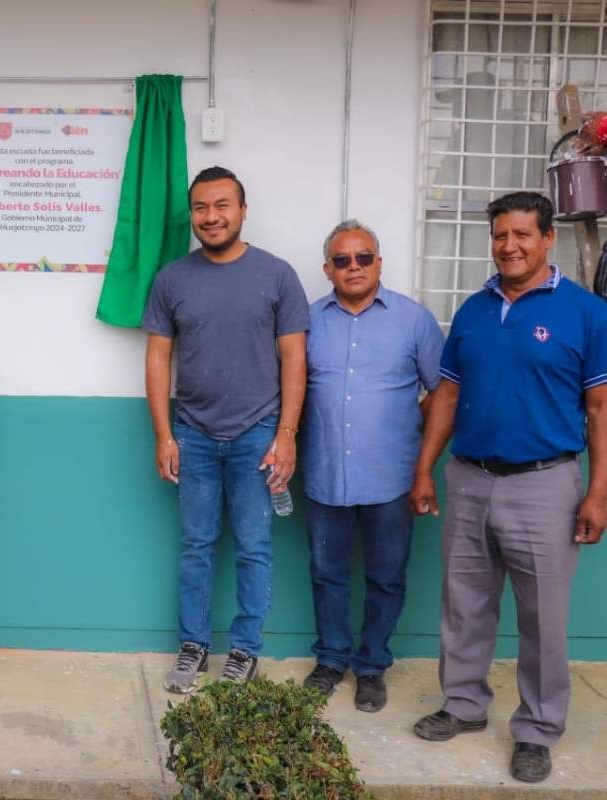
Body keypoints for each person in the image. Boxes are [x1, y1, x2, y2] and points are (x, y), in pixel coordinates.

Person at [409, 191, 607, 783]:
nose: (509, 246)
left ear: (549, 239)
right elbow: (445, 395)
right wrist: (425, 468)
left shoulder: (587, 313)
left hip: (546, 484)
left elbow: (599, 409)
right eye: (500, 235)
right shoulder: (472, 310)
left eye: (522, 234)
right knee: (464, 606)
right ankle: (464, 705)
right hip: (469, 479)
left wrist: (598, 492)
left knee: (542, 617)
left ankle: (539, 728)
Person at [143, 166, 309, 692]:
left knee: (254, 547)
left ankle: (244, 650)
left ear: (242, 210)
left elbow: (294, 359)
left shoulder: (277, 274)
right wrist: (163, 434)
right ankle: (193, 646)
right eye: (200, 208)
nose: (210, 217)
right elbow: (156, 358)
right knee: (197, 545)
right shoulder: (173, 278)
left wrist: (286, 434)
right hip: (192, 434)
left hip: (257, 434)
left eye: (221, 206)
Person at [299, 220, 444, 711]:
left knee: (386, 576)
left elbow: (442, 393)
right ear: (328, 269)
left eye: (364, 257)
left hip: (391, 477)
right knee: (326, 573)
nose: (354, 267)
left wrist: (406, 428)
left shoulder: (414, 320)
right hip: (323, 476)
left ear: (380, 262)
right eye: (343, 260)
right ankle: (331, 658)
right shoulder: (307, 321)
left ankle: (372, 665)